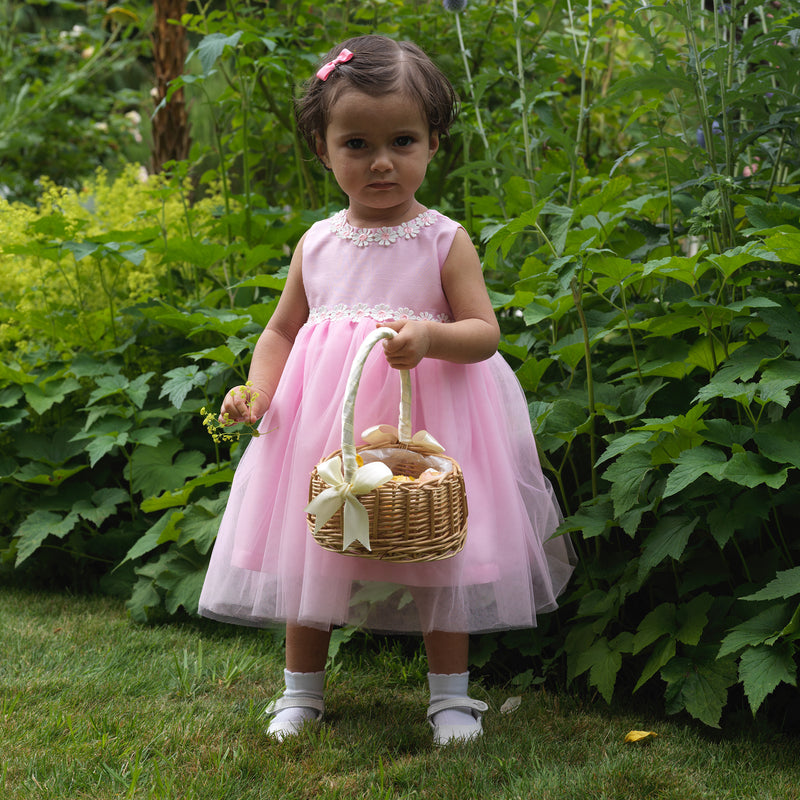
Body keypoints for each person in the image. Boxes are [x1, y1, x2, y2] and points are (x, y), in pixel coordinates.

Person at [198, 34, 574, 745]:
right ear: (322, 147)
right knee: (313, 550)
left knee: (442, 552)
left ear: (434, 143)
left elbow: (485, 333)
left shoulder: (443, 239)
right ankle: (300, 693)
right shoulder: (316, 243)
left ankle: (452, 699)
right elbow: (281, 331)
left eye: (402, 140)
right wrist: (258, 390)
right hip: (327, 427)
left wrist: (431, 338)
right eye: (356, 144)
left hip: (428, 426)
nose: (380, 162)